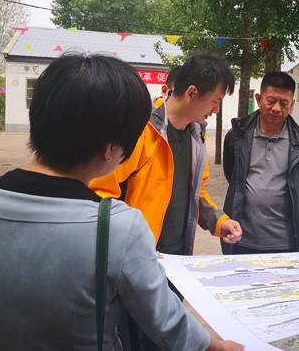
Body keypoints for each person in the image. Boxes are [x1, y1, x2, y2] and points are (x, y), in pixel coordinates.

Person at [0, 53, 243, 351]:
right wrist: (215, 347)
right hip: (143, 261)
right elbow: (165, 321)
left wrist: (217, 220)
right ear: (110, 148)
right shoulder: (116, 228)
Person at [90, 53, 242, 257]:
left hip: (177, 257)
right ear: (191, 93)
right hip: (136, 257)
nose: (216, 109)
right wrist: (132, 247)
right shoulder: (141, 130)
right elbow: (100, 194)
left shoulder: (197, 136)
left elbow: (197, 192)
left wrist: (220, 221)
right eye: (215, 101)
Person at [222, 71, 299, 254]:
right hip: (241, 238)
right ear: (258, 99)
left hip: (284, 242)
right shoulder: (237, 136)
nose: (276, 108)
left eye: (284, 103)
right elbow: (232, 174)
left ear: (292, 105)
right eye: (271, 101)